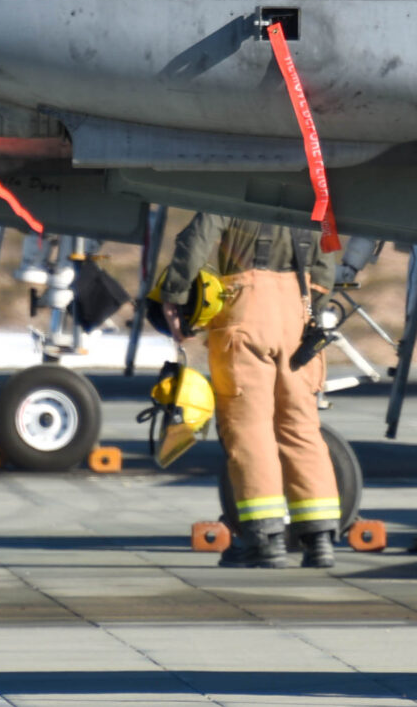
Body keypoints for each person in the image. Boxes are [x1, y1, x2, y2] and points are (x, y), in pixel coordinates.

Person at [155, 214, 343, 568]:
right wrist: (311, 310)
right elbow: (326, 265)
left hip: (244, 316)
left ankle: (265, 542)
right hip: (298, 319)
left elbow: (197, 237)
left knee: (250, 430)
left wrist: (175, 294)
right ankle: (319, 541)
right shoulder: (312, 191)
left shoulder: (235, 183)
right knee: (300, 428)